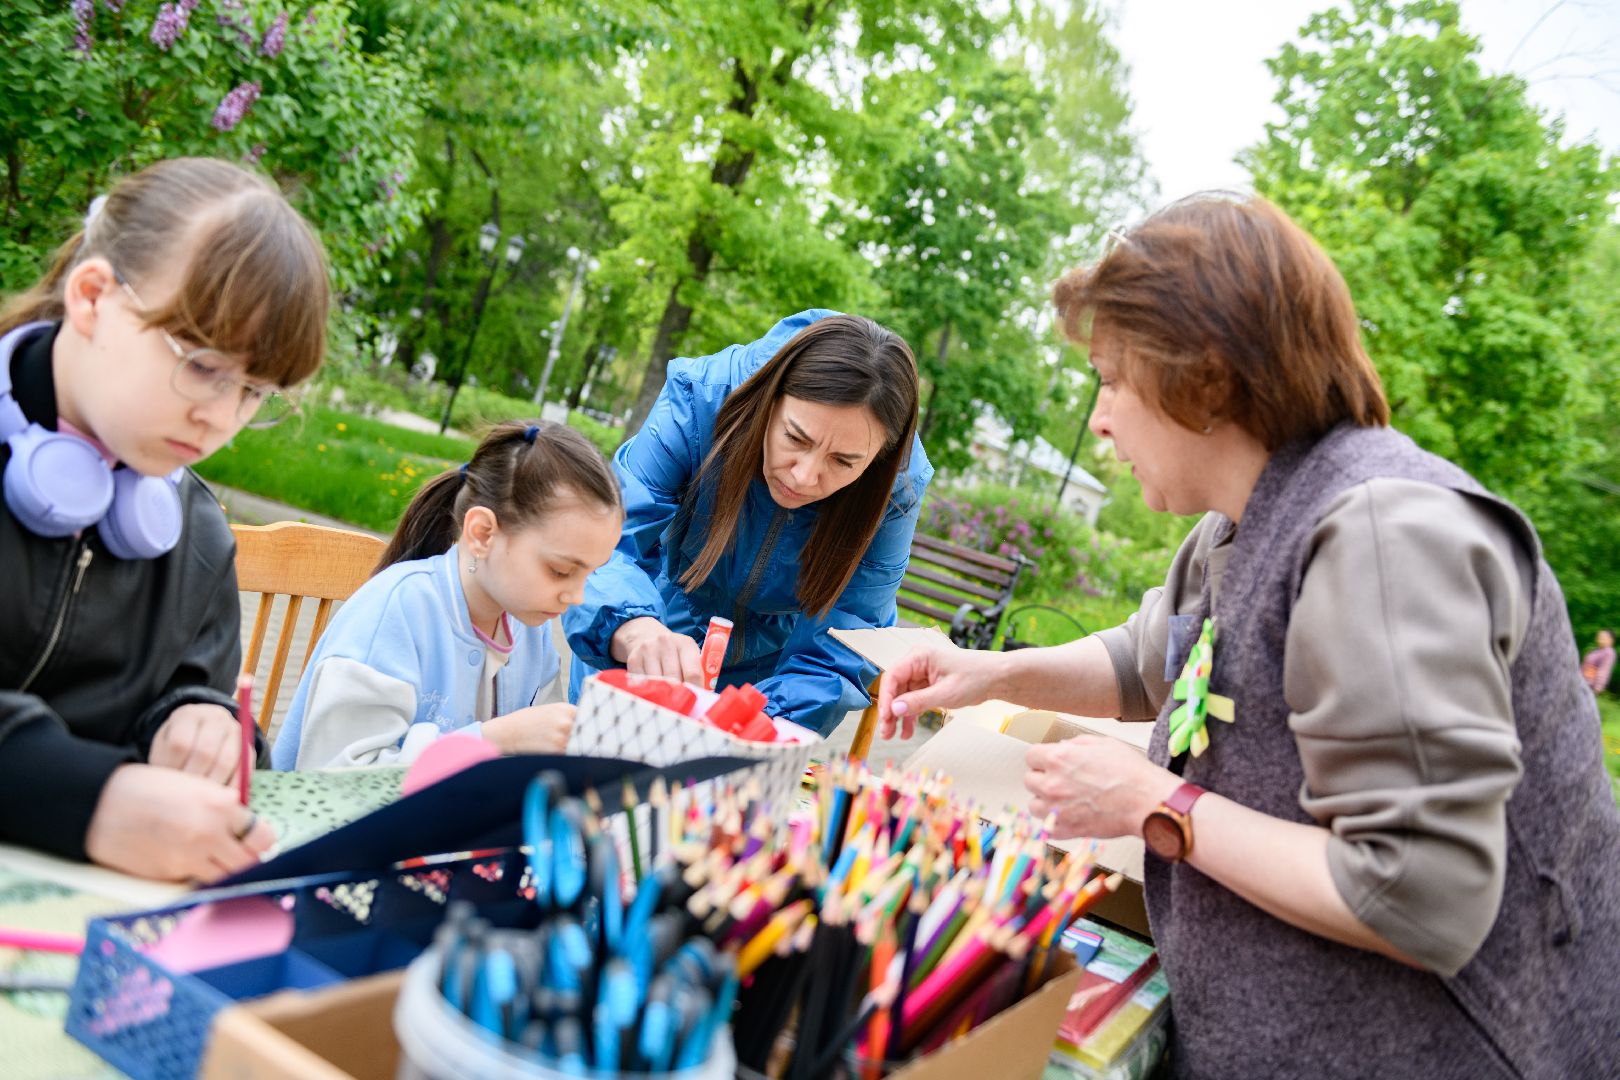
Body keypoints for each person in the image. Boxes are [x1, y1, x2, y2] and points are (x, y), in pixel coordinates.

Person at [878, 195, 1620, 1076]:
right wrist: (987, 672)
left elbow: (1420, 894)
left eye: (1112, 379)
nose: (1101, 417)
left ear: (1207, 379)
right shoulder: (1242, 523)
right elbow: (1145, 664)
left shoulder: (1385, 539)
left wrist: (1155, 804)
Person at [0, 157, 329, 881]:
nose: (221, 419)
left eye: (254, 392)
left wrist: (200, 722)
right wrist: (87, 799)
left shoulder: (198, 532)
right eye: (203, 366)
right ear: (92, 297)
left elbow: (194, 686)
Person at [563, 310, 931, 736]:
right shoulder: (701, 398)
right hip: (646, 631)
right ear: (768, 400)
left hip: (768, 676)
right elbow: (608, 537)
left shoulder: (897, 487)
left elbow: (849, 634)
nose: (803, 476)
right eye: (795, 437)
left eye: (843, 462)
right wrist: (632, 627)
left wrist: (764, 724)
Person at [272, 421, 622, 769]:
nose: (576, 596)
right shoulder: (398, 610)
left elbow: (540, 752)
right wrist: (493, 739)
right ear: (482, 533)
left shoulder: (530, 623)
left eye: (590, 573)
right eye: (561, 571)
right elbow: (336, 777)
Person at [1581, 628, 1614, 694]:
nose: (1600, 638)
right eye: (1599, 636)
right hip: (1582, 681)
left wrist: (1598, 686)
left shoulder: (1608, 652)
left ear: (1610, 640)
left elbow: (1604, 670)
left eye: (1603, 637)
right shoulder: (1596, 650)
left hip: (1590, 685)